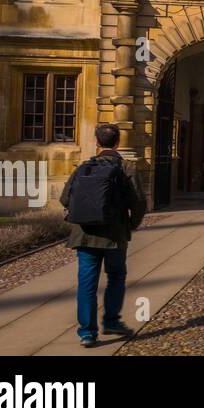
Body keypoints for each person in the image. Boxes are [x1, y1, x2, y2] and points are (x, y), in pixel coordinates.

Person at [59, 123, 147, 348]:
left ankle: (87, 333)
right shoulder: (126, 168)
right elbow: (138, 203)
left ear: (97, 143)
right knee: (116, 276)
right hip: (115, 234)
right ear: (118, 142)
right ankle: (111, 321)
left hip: (84, 234)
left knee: (87, 283)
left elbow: (65, 199)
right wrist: (131, 225)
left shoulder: (83, 167)